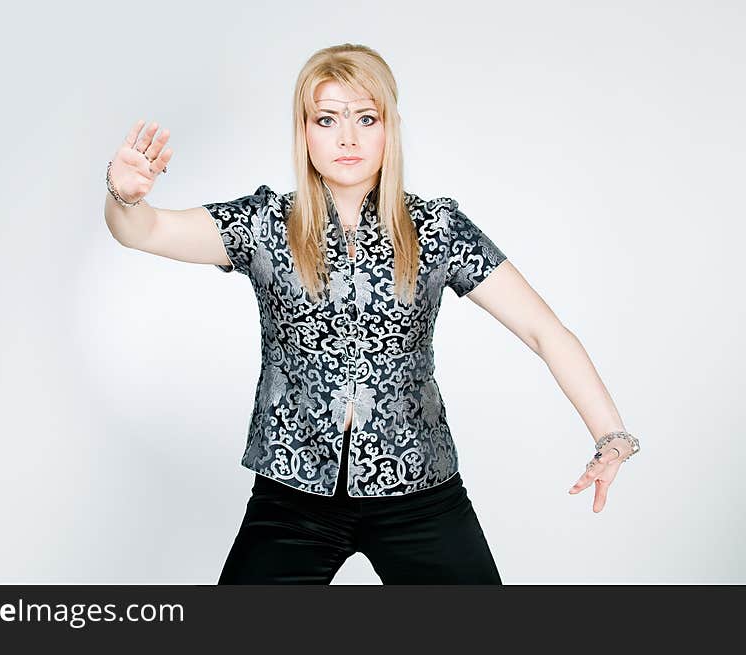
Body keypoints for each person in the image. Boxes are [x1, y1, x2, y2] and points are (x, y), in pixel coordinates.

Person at [103, 43, 641, 584]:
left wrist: (611, 434)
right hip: (292, 499)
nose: (348, 138)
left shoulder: (436, 230)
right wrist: (124, 197)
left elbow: (544, 329)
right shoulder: (266, 225)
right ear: (305, 130)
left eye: (366, 118)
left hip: (420, 494)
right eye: (327, 119)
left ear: (390, 128)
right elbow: (144, 231)